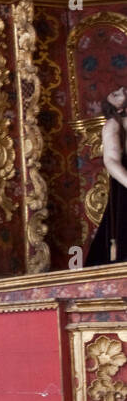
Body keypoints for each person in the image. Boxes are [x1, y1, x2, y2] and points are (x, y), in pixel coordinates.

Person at [88, 86, 127, 266]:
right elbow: (111, 160)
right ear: (119, 109)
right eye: (116, 94)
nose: (122, 90)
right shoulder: (114, 124)